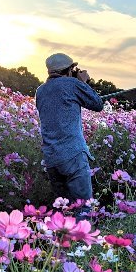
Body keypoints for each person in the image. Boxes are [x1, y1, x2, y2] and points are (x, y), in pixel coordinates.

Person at [35, 53, 103, 221]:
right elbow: (97, 104)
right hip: (73, 155)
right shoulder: (72, 84)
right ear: (69, 70)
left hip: (51, 158)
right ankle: (81, 244)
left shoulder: (41, 90)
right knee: (83, 208)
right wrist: (82, 82)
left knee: (63, 209)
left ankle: (62, 244)